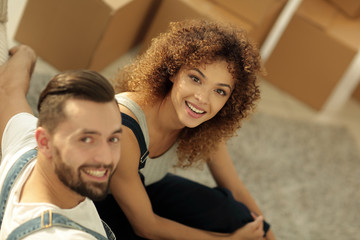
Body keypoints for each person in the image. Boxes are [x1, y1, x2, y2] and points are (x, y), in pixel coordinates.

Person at [95, 19, 276, 240]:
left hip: (147, 190)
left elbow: (236, 189)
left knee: (237, 217)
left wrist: (268, 232)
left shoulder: (202, 120)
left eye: (219, 91)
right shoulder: (123, 127)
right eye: (195, 78)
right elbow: (146, 226)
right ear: (173, 71)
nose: (202, 99)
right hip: (96, 209)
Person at [0, 45, 122, 239]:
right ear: (45, 142)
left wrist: (26, 53)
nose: (106, 157)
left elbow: (7, 91)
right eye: (87, 139)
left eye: (113, 138)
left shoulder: (25, 146)